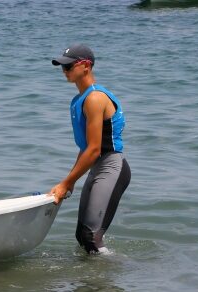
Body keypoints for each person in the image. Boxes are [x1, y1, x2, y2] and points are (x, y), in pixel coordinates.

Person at [49, 44, 131, 254]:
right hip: (97, 168)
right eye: (62, 67)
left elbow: (94, 150)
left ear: (86, 66)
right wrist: (70, 181)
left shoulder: (95, 98)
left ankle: (115, 276)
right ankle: (92, 282)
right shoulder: (79, 99)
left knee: (91, 237)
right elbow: (86, 148)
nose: (64, 71)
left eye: (68, 67)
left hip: (111, 167)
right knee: (82, 236)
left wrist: (66, 182)